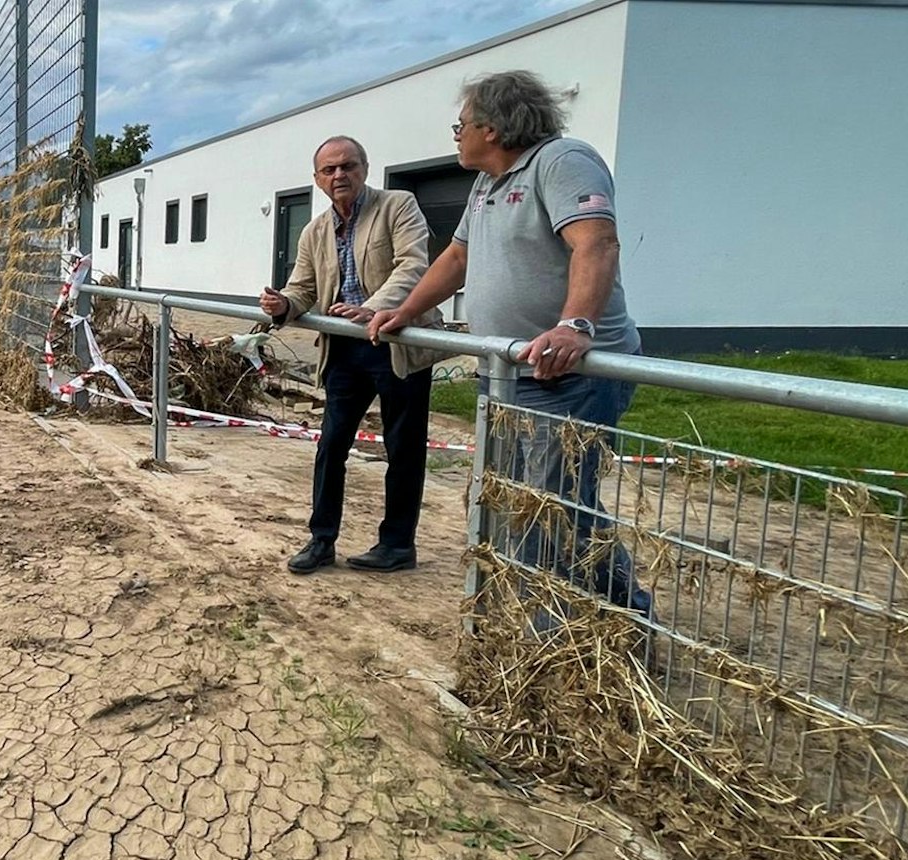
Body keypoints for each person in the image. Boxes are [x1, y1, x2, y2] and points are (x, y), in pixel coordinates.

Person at [367, 70, 651, 613]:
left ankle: (588, 623)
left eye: (462, 124)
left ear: (493, 128)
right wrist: (401, 309)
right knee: (536, 505)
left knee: (552, 510)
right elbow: (456, 259)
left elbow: (597, 243)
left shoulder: (563, 162)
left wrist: (575, 326)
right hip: (510, 372)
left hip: (569, 376)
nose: (457, 134)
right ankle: (571, 616)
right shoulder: (486, 184)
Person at [259, 136, 452, 576]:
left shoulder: (397, 206)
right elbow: (303, 287)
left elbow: (413, 265)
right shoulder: (314, 229)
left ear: (365, 168)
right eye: (329, 170)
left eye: (347, 166)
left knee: (403, 449)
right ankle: (321, 539)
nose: (339, 175)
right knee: (331, 445)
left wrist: (378, 306)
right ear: (317, 179)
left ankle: (397, 545)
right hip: (345, 351)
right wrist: (283, 305)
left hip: (396, 347)